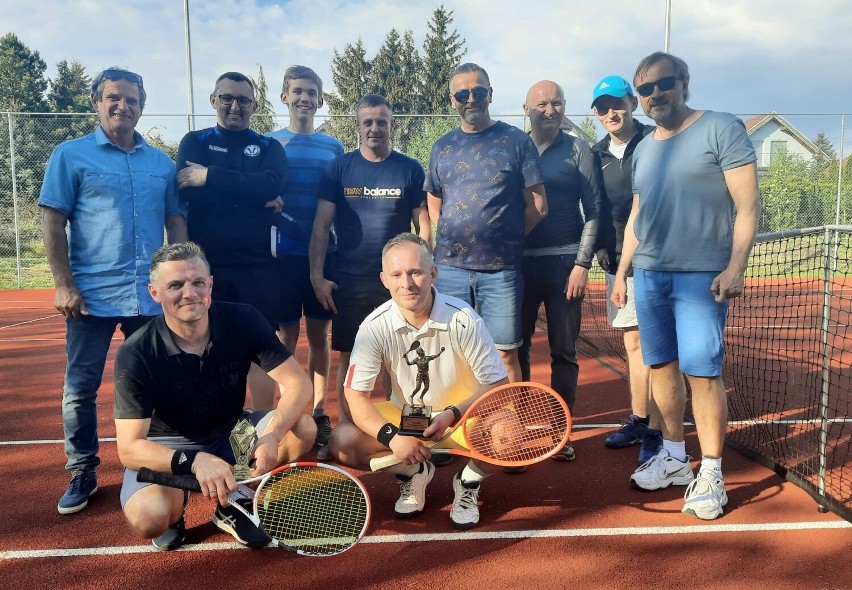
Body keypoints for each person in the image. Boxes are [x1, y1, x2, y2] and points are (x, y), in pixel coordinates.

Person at [611, 52, 760, 520]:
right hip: (650, 276)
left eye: (663, 84)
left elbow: (749, 203)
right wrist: (621, 272)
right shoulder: (646, 148)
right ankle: (674, 456)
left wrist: (736, 266)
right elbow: (639, 213)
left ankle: (711, 471)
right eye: (645, 90)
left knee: (703, 374)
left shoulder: (721, 128)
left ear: (684, 83)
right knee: (661, 370)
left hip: (700, 277)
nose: (654, 95)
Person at [39, 67, 187, 515]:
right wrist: (63, 284)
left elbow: (175, 221)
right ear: (96, 102)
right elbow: (52, 221)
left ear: (142, 105)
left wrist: (179, 276)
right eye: (113, 98)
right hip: (90, 297)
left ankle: (159, 464)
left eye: (132, 100)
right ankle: (82, 468)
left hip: (148, 297)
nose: (123, 106)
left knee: (159, 384)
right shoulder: (70, 156)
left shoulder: (161, 163)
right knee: (81, 389)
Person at [114, 242, 316, 550]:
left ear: (211, 284)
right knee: (149, 518)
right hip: (169, 446)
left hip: (232, 432)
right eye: (175, 285)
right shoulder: (137, 352)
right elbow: (129, 448)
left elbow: (298, 384)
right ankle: (175, 506)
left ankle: (232, 501)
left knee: (303, 428)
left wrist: (271, 436)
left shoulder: (243, 319)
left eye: (198, 282)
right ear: (154, 293)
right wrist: (193, 462)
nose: (189, 293)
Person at [327, 233, 508, 529]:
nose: (407, 283)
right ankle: (413, 473)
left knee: (509, 436)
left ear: (433, 274)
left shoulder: (464, 318)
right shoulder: (373, 327)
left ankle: (468, 482)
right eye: (396, 275)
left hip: (460, 414)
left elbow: (497, 385)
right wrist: (393, 438)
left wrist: (453, 413)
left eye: (415, 273)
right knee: (342, 441)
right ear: (384, 279)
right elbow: (355, 395)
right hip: (409, 417)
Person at [310, 94, 430, 439]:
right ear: (358, 126)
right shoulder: (338, 168)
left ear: (391, 125)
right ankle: (349, 430)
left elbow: (422, 225)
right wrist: (317, 277)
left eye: (381, 122)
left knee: (405, 355)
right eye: (368, 122)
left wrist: (422, 271)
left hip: (398, 283)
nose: (374, 128)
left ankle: (412, 430)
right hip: (350, 280)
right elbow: (320, 227)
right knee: (350, 356)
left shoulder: (409, 168)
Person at [425, 63, 547, 383]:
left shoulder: (517, 142)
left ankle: (508, 427)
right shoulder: (442, 147)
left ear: (490, 94)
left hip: (501, 271)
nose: (471, 99)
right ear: (452, 99)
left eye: (478, 92)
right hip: (449, 269)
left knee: (505, 354)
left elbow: (538, 206)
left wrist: (506, 239)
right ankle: (463, 426)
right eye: (462, 93)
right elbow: (434, 201)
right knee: (453, 351)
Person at [176, 71, 288, 412]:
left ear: (254, 106)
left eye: (243, 100)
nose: (235, 106)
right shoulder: (193, 142)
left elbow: (271, 185)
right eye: (227, 98)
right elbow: (189, 189)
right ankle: (212, 423)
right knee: (205, 345)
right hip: (207, 267)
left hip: (259, 266)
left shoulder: (269, 147)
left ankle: (264, 423)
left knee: (260, 347)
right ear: (214, 101)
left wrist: (209, 176)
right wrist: (249, 190)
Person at [519, 80, 603, 462]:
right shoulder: (513, 148)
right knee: (512, 348)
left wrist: (581, 264)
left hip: (564, 266)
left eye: (556, 103)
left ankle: (561, 430)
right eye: (541, 104)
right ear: (526, 108)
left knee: (563, 351)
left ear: (564, 107)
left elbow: (595, 211)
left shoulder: (578, 149)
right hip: (517, 267)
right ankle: (516, 425)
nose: (549, 110)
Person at [268, 66, 345, 457]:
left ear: (319, 99)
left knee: (320, 338)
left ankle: (317, 413)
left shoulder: (333, 147)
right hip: (280, 258)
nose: (304, 98)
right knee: (284, 338)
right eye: (297, 91)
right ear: (284, 97)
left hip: (322, 257)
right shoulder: (268, 143)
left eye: (311, 92)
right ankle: (288, 410)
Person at [590, 75, 663, 465]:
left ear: (632, 103)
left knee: (660, 344)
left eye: (617, 103)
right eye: (602, 107)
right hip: (618, 264)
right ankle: (641, 419)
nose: (611, 112)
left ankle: (660, 427)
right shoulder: (595, 153)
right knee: (633, 344)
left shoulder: (655, 141)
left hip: (659, 259)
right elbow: (596, 206)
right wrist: (602, 247)